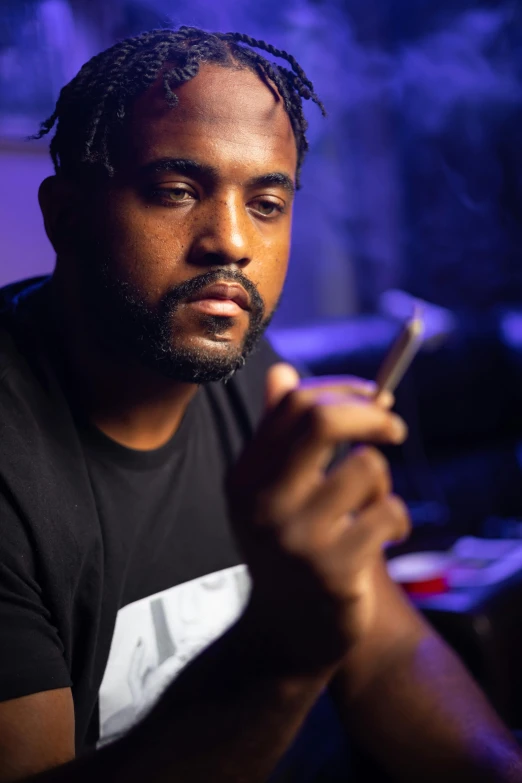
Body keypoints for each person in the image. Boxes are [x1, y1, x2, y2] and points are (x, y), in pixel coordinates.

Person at [0, 25, 520, 783]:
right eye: (177, 192)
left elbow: (385, 651)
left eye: (267, 202)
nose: (232, 242)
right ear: (64, 215)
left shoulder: (246, 370)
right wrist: (282, 650)